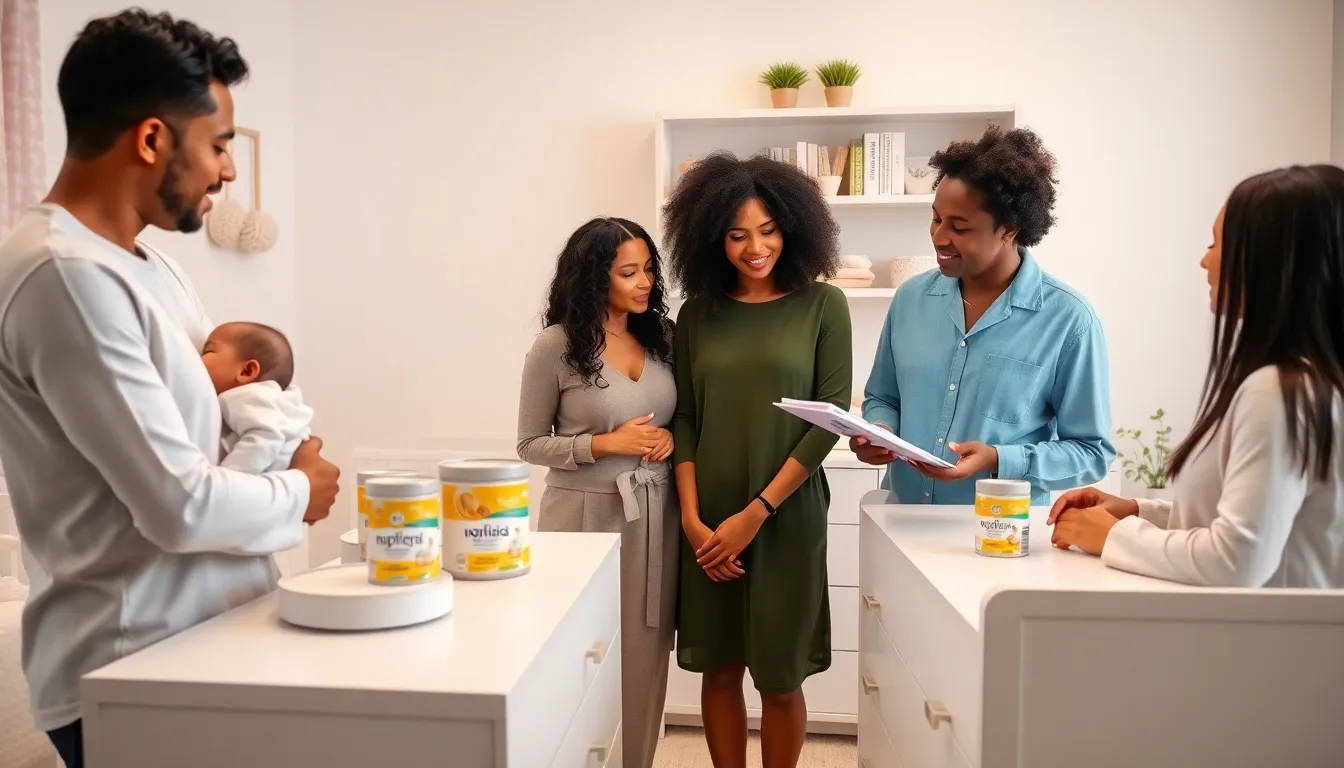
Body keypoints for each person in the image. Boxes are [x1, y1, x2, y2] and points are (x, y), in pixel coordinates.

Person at [0, 11, 340, 767]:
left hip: (204, 644)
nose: (227, 170)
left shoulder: (148, 267)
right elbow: (179, 506)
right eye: (218, 145)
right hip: (133, 668)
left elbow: (210, 432)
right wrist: (298, 488)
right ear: (152, 140)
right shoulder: (65, 276)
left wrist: (280, 433)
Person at [1049, 164, 1344, 589]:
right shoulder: (1304, 383)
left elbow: (1236, 559)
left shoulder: (1280, 392)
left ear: (1269, 262)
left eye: (1217, 243)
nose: (1205, 259)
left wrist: (1114, 536)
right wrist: (1138, 512)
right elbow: (1252, 524)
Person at [663, 151, 852, 768]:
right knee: (718, 670)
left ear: (792, 229)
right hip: (709, 517)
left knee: (778, 678)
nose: (754, 247)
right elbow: (685, 418)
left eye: (768, 230)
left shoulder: (825, 306)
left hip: (785, 513)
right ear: (712, 236)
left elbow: (829, 422)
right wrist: (692, 520)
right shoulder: (696, 316)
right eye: (737, 234)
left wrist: (759, 510)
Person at [851, 126, 1114, 505]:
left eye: (959, 227)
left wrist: (998, 460)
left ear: (1008, 229)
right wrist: (878, 431)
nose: (939, 237)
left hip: (999, 538)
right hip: (901, 522)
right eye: (936, 219)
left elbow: (1092, 453)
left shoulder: (1069, 321)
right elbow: (883, 397)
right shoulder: (910, 298)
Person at [515, 217, 677, 768]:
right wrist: (604, 445)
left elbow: (680, 417)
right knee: (582, 654)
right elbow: (529, 444)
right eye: (628, 272)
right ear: (592, 278)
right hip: (582, 516)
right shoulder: (556, 345)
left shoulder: (661, 338)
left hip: (655, 515)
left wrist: (669, 439)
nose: (644, 282)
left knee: (646, 653)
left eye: (648, 270)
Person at [203, 321, 315, 473]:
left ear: (246, 371)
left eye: (207, 351)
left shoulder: (248, 396)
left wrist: (230, 476)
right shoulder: (266, 398)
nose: (198, 357)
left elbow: (267, 435)